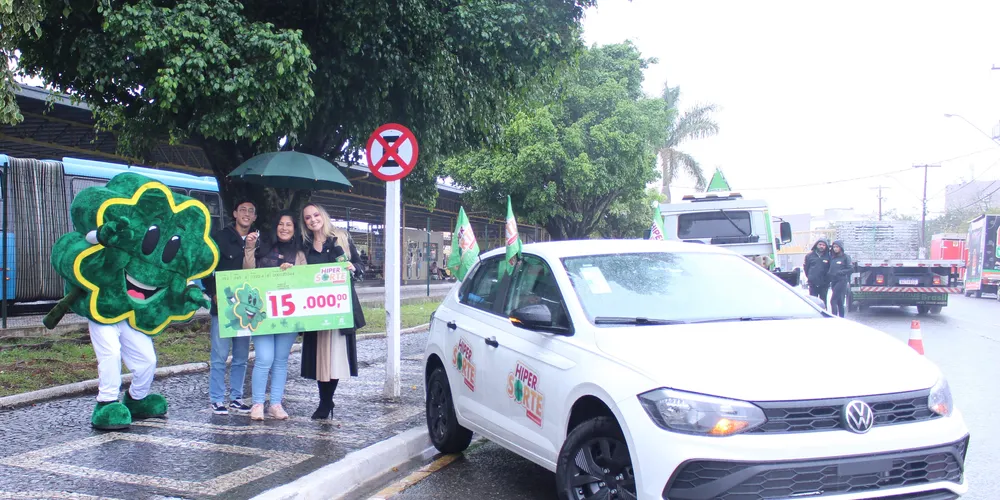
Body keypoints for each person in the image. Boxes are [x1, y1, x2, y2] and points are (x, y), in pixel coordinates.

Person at [300, 204, 367, 419]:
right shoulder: (304, 245)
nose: (313, 220)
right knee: (320, 358)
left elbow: (359, 265)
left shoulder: (341, 238)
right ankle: (324, 401)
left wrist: (352, 268)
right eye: (308, 218)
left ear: (324, 215)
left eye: (316, 215)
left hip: (339, 307)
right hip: (314, 308)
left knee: (335, 357)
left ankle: (326, 402)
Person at [244, 211, 305, 420]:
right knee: (264, 358)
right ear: (275, 227)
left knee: (280, 360)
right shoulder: (262, 248)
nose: (285, 228)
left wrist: (292, 272)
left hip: (287, 314)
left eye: (289, 224)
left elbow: (305, 280)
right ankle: (258, 404)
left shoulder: (299, 253)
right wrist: (249, 249)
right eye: (281, 224)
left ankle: (276, 403)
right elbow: (248, 272)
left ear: (295, 229)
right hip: (262, 313)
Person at [203, 199, 258, 415]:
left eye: (250, 211)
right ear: (235, 213)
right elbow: (207, 268)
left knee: (242, 356)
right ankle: (216, 398)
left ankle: (236, 397)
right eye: (242, 210)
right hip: (223, 307)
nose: (246, 214)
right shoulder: (220, 238)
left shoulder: (258, 241)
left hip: (247, 309)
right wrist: (213, 293)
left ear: (254, 218)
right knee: (219, 355)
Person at [827, 240, 853, 318]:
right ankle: (841, 318)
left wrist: (840, 272)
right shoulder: (832, 257)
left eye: (837, 247)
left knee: (833, 300)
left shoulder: (845, 257)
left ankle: (834, 317)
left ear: (841, 247)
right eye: (834, 247)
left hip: (841, 281)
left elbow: (851, 269)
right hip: (833, 281)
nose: (835, 249)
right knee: (839, 301)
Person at [804, 238, 831, 309]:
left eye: (823, 245)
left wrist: (827, 279)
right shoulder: (809, 256)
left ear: (826, 247)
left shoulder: (829, 256)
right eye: (820, 244)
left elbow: (830, 269)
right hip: (813, 283)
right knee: (813, 302)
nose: (821, 246)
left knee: (823, 301)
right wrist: (810, 277)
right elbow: (806, 268)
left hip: (824, 283)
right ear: (816, 245)